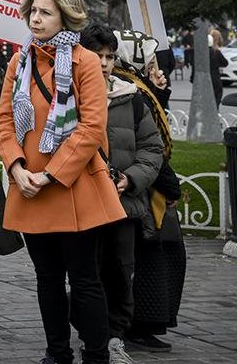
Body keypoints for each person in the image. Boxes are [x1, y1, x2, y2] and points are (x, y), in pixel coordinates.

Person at [0, 0, 125, 364]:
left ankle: (96, 356)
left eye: (45, 12)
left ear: (66, 16)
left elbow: (91, 128)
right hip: (29, 185)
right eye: (32, 11)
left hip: (72, 188)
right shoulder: (19, 62)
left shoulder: (86, 60)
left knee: (84, 280)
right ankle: (57, 354)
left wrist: (50, 175)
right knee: (47, 279)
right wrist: (17, 168)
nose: (36, 18)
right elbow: (4, 119)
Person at [80, 25, 164, 364]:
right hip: (83, 203)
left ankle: (113, 337)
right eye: (97, 55)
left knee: (119, 272)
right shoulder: (68, 95)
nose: (103, 63)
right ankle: (92, 334)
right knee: (87, 274)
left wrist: (130, 180)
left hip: (123, 204)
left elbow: (152, 148)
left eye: (109, 56)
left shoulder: (131, 98)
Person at [108, 32, 187, 354]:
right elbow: (146, 146)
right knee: (150, 258)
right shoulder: (130, 89)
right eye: (150, 59)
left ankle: (132, 323)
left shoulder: (138, 87)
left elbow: (153, 133)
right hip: (141, 189)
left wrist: (160, 93)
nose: (155, 64)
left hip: (141, 184)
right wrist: (169, 186)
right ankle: (135, 325)